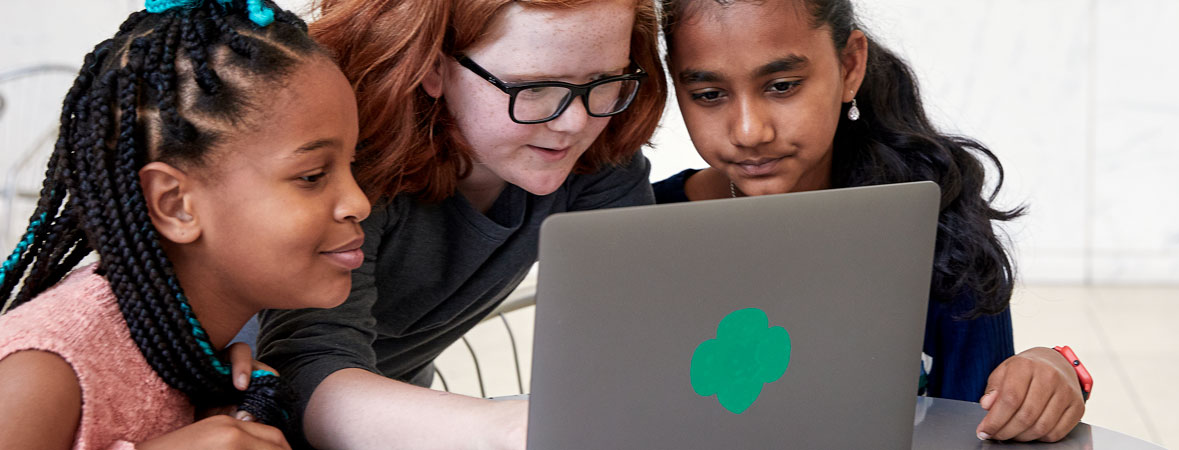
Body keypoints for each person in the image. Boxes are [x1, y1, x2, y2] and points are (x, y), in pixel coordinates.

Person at [651, 0, 1091, 442]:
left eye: (782, 85)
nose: (749, 131)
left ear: (850, 65)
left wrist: (1045, 375)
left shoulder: (935, 220)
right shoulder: (646, 230)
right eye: (709, 95)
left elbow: (979, 423)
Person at [252, 0, 668, 447]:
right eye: (533, 87)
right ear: (433, 68)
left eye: (604, 81)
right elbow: (304, 368)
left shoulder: (598, 155)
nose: (575, 122)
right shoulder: (354, 171)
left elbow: (634, 331)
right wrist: (507, 430)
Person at [0, 0, 368, 447]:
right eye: (312, 176)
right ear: (175, 205)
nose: (359, 203)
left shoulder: (193, 356)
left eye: (353, 165)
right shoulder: (42, 370)